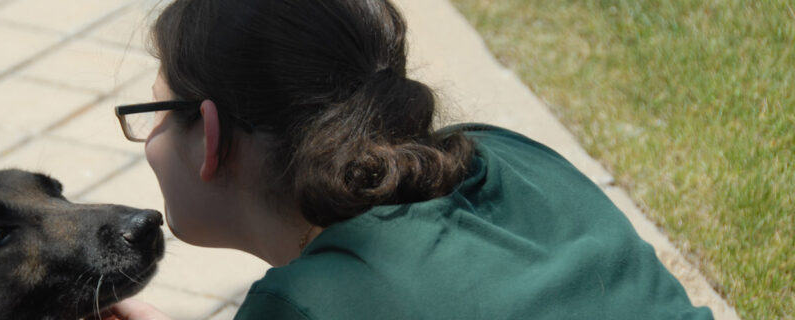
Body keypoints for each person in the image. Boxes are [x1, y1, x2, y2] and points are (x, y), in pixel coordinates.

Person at [108, 0, 714, 319]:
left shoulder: (309, 303)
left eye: (155, 111)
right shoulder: (506, 153)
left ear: (210, 136)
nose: (150, 137)